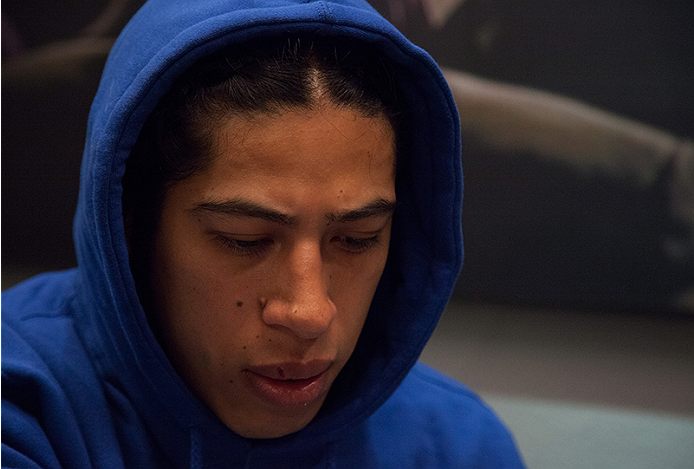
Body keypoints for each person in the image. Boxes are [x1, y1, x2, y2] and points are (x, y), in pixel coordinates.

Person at [1, 0, 525, 466]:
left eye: (358, 237)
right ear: (130, 227)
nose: (310, 313)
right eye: (244, 239)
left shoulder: (457, 445)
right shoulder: (23, 410)